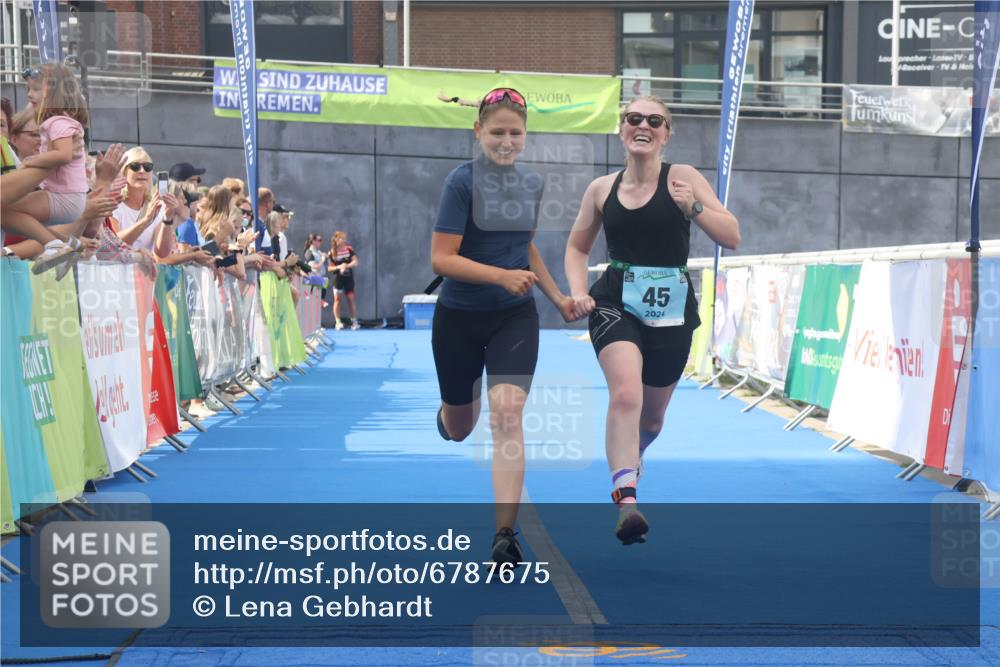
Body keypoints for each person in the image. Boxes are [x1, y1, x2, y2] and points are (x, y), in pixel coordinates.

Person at [564, 96, 740, 545]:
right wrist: (580, 292)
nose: (643, 125)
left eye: (654, 120)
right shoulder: (601, 189)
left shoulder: (683, 178)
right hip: (615, 302)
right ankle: (626, 499)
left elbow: (732, 236)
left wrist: (693, 209)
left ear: (666, 132)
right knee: (626, 394)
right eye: (633, 118)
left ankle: (632, 455)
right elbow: (577, 248)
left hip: (672, 311)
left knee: (652, 420)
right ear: (622, 129)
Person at [430, 87, 577, 566]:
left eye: (516, 132)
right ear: (478, 132)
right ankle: (450, 412)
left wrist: (556, 297)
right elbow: (442, 259)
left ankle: (505, 535)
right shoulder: (461, 183)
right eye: (497, 132)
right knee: (460, 426)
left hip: (514, 318)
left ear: (526, 136)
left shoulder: (532, 184)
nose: (507, 140)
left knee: (508, 415)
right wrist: (500, 276)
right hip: (458, 319)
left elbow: (525, 248)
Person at [1, 64, 91, 272]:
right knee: (7, 216)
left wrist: (33, 162)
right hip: (66, 197)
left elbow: (63, 155)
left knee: (4, 212)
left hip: (62, 197)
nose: (30, 95)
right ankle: (64, 243)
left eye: (35, 90)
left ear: (54, 93)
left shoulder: (57, 123)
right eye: (28, 90)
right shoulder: (60, 123)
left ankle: (56, 245)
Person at [112, 146, 181, 258]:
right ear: (124, 172)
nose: (142, 171)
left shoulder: (157, 206)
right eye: (135, 166)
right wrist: (145, 221)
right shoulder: (114, 204)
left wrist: (167, 219)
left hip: (144, 273)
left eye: (147, 167)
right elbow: (114, 244)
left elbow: (162, 253)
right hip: (118, 272)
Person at [328, 230, 359, 330]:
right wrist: (339, 267)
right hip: (338, 280)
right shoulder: (332, 253)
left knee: (351, 299)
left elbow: (355, 262)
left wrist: (346, 265)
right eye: (342, 238)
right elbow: (329, 268)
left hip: (348, 279)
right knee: (337, 300)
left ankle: (354, 322)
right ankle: (338, 322)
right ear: (336, 239)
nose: (344, 240)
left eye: (345, 238)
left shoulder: (349, 249)